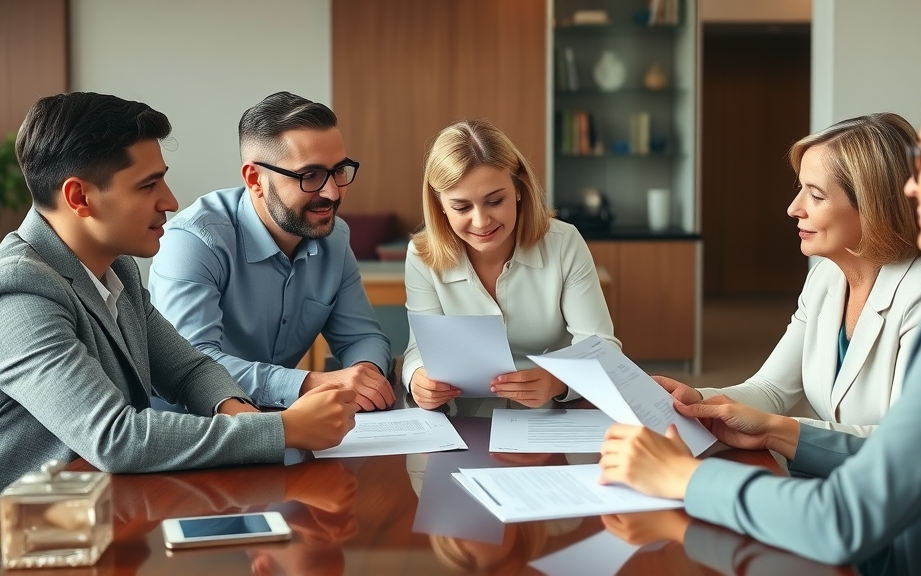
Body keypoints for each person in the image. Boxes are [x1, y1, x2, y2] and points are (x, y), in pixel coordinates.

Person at [599, 49, 921, 576]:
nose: (912, 186)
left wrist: (683, 477)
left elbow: (848, 513)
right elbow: (781, 394)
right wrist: (708, 405)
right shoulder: (832, 276)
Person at [0, 92, 357, 489]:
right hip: (33, 524)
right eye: (148, 185)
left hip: (106, 507)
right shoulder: (19, 293)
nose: (170, 201)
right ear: (79, 197)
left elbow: (189, 370)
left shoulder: (117, 270)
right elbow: (116, 438)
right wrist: (284, 429)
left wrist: (244, 417)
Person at [656, 113, 921, 436]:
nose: (793, 208)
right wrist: (698, 400)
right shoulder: (824, 277)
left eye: (816, 196)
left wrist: (778, 430)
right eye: (800, 188)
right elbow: (770, 389)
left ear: (873, 208)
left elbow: (908, 443)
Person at [149, 92, 394, 412]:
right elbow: (192, 365)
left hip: (284, 422)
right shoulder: (192, 241)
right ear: (255, 179)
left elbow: (361, 336)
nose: (333, 193)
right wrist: (309, 383)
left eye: (339, 170)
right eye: (310, 176)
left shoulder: (334, 237)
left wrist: (365, 376)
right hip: (192, 428)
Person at [402, 119, 619, 415]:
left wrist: (558, 381)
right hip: (465, 414)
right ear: (439, 203)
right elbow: (420, 349)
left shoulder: (564, 242)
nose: (481, 222)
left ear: (518, 187)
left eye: (495, 201)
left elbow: (603, 347)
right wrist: (418, 377)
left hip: (554, 412)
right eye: (461, 207)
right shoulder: (421, 254)